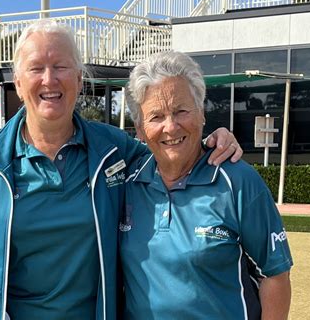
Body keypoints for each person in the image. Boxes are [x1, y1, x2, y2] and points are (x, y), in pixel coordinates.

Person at [0, 20, 242, 320]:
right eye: (36, 68)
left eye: (60, 66)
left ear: (78, 78)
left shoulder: (112, 148)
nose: (49, 79)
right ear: (19, 83)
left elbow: (167, 148)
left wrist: (209, 139)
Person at [120, 51, 293, 320]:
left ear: (201, 113)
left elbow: (275, 275)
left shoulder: (238, 181)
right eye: (156, 117)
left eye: (181, 111)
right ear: (140, 129)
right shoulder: (125, 183)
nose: (171, 127)